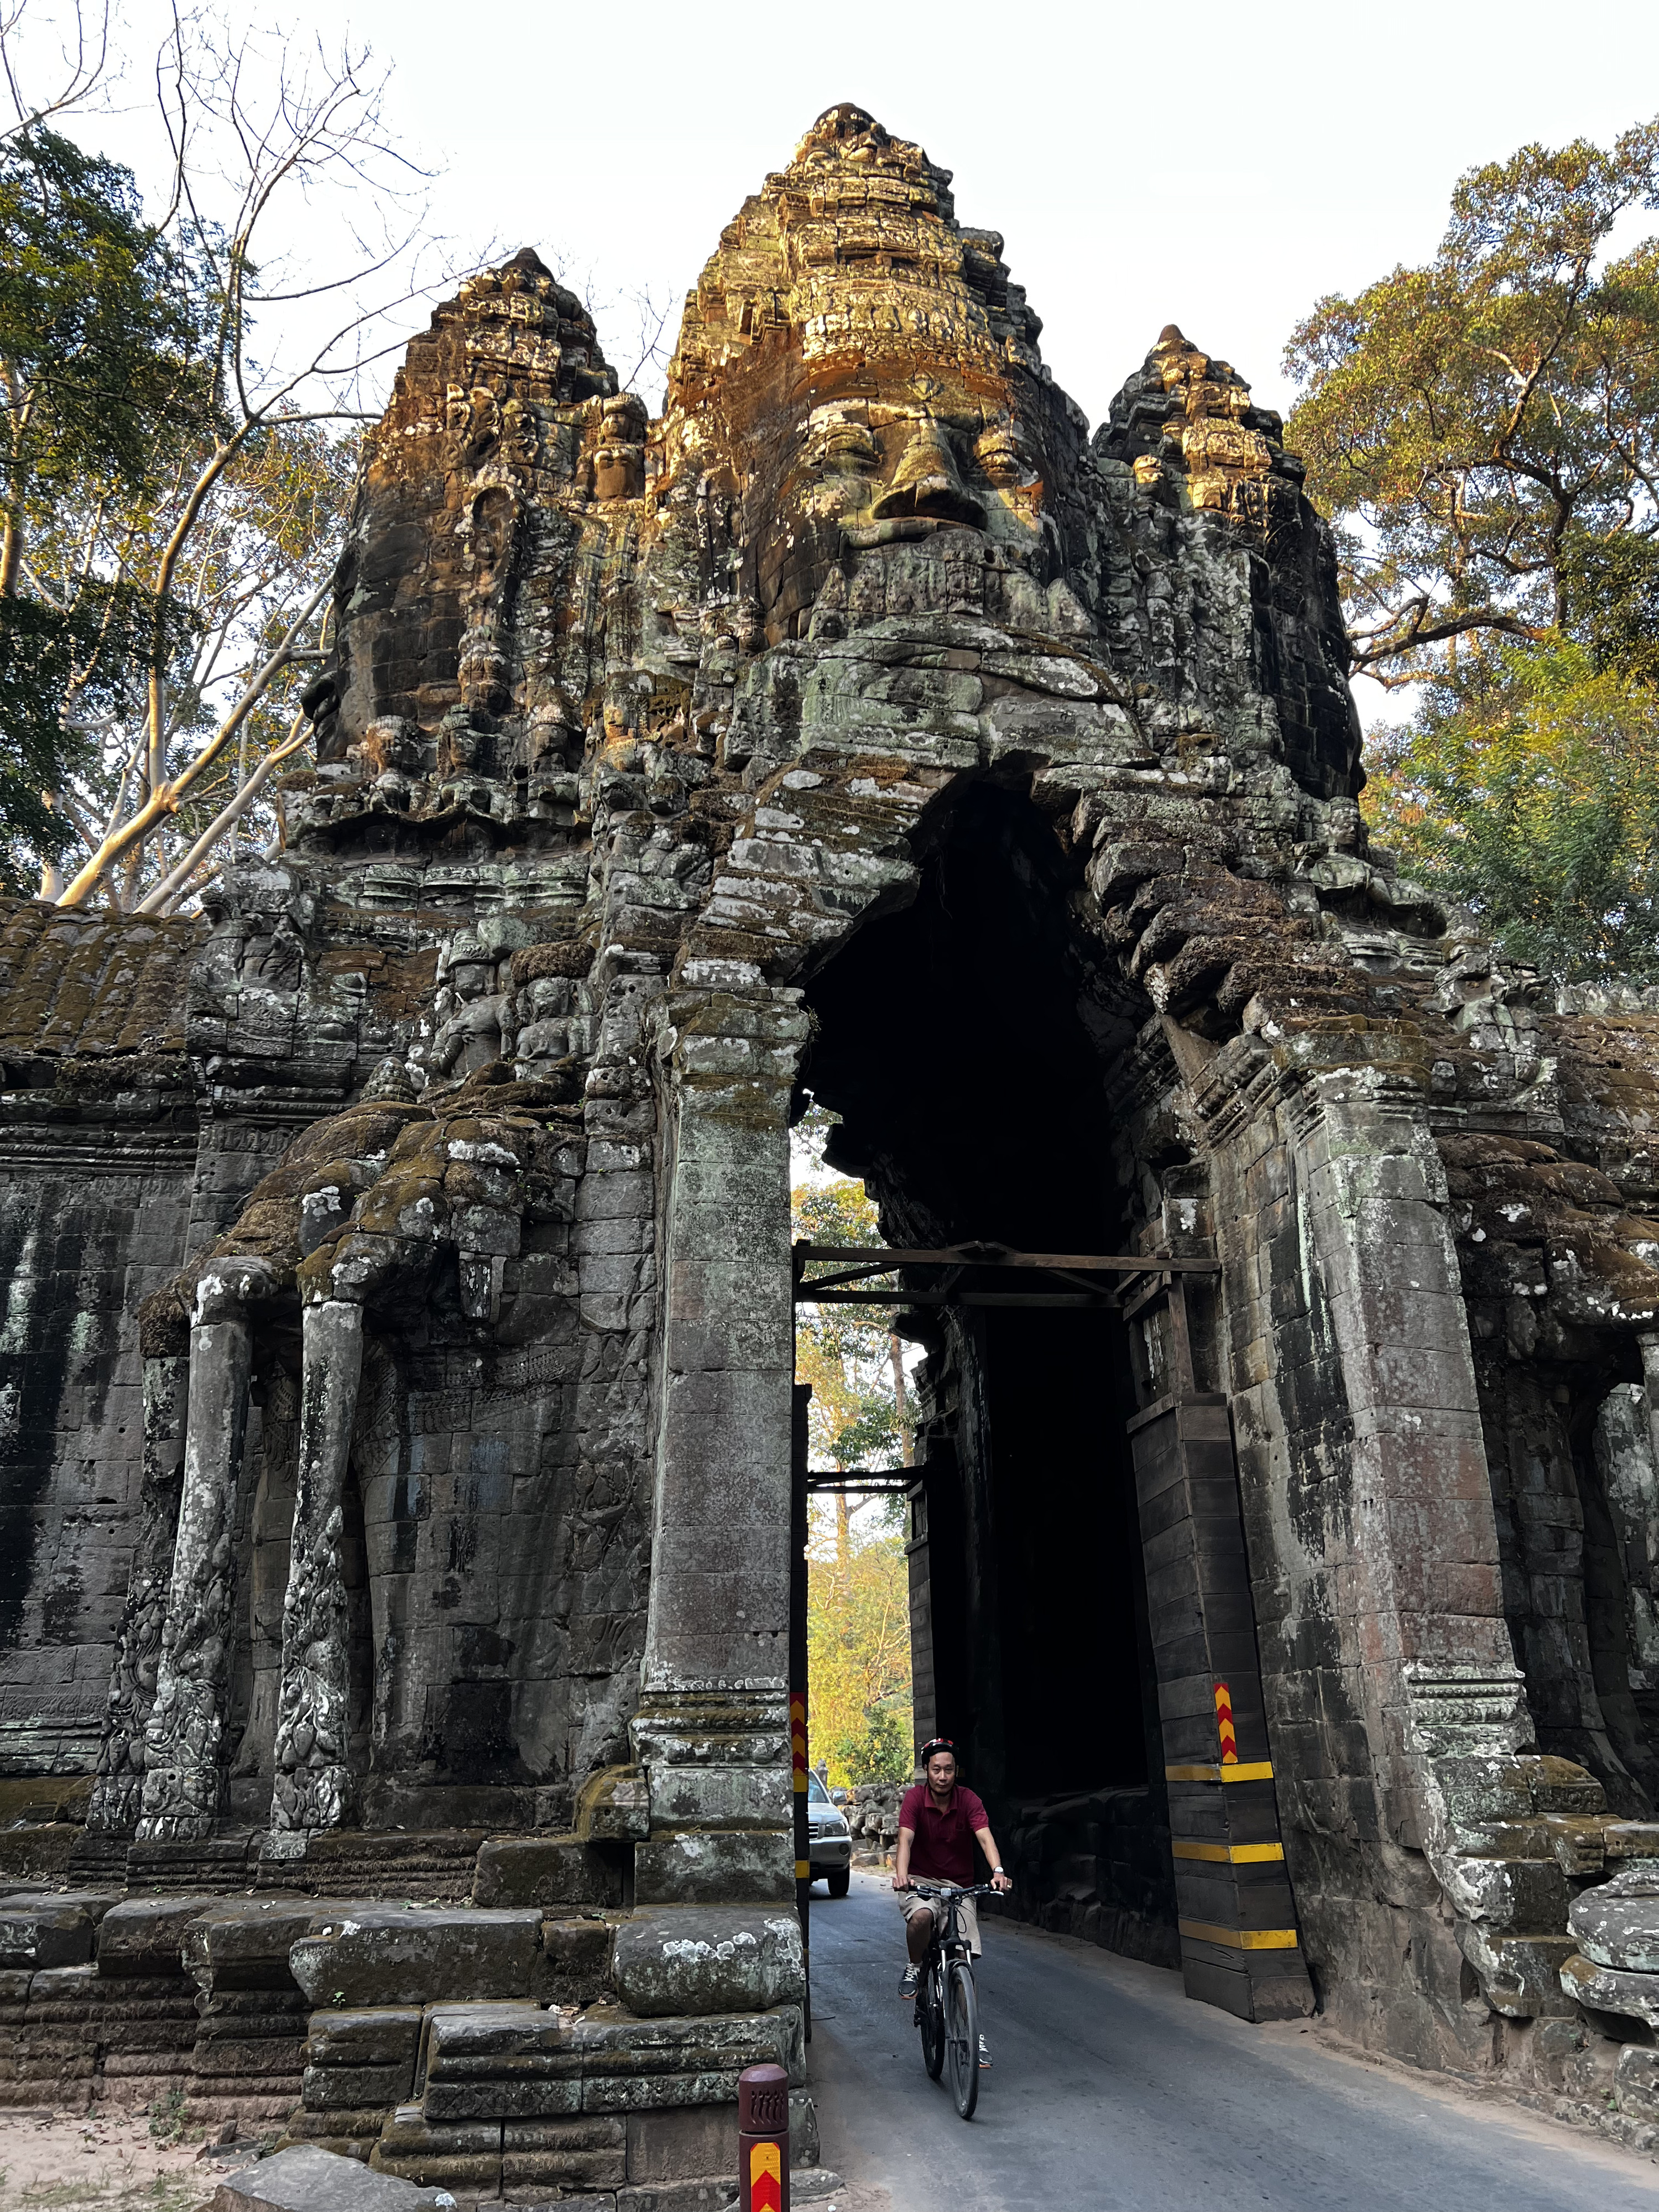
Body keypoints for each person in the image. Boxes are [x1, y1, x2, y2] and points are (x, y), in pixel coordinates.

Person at [892, 1736, 1012, 2064]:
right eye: (936, 1770)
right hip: (922, 1882)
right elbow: (906, 1838)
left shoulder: (969, 1800)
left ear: (956, 1772)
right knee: (921, 1918)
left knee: (962, 1955)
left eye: (948, 1770)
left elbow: (985, 1837)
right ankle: (916, 1966)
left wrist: (998, 1871)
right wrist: (902, 1874)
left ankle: (975, 2034)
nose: (942, 1776)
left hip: (959, 1886)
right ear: (926, 1771)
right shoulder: (915, 1800)